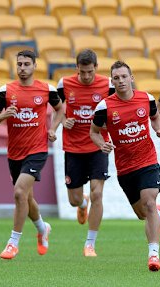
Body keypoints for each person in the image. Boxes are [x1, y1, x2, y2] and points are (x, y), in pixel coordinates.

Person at [90, 61, 160, 271]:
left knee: (149, 203)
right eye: (116, 78)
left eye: (124, 76)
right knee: (143, 214)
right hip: (125, 168)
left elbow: (155, 117)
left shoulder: (147, 99)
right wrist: (102, 144)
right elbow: (94, 132)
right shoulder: (105, 107)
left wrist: (159, 129)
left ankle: (154, 255)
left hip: (148, 160)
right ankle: (159, 216)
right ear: (112, 81)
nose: (121, 81)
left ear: (131, 77)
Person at [0, 50, 64, 260]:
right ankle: (42, 228)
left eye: (26, 64)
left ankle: (13, 242)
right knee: (27, 197)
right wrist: (4, 115)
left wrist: (53, 128)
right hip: (15, 153)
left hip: (37, 150)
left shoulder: (46, 89)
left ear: (34, 66)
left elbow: (61, 109)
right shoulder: (6, 91)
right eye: (19, 64)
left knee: (20, 192)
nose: (22, 68)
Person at [52, 49, 115, 257]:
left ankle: (90, 244)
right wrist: (63, 121)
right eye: (82, 72)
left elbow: (116, 110)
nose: (86, 76)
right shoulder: (64, 84)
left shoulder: (107, 85)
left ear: (96, 68)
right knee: (73, 199)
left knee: (98, 193)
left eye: (90, 72)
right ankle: (82, 203)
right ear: (76, 68)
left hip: (98, 145)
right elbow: (58, 109)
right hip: (73, 148)